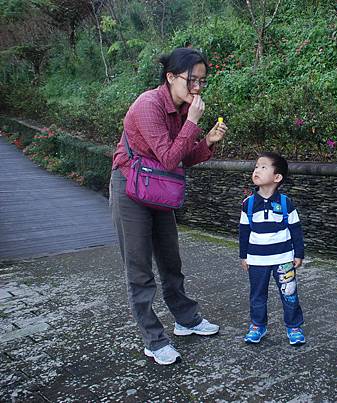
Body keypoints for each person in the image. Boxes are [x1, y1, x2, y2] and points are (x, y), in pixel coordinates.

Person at [109, 48, 228, 365]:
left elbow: (183, 157)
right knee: (139, 269)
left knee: (171, 261)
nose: (198, 88)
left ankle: (186, 319)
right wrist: (193, 122)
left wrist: (207, 143)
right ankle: (153, 339)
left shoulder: (181, 109)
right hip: (130, 187)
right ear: (171, 77)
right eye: (192, 80)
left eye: (202, 81)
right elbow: (169, 157)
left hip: (158, 186)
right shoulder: (148, 105)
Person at [239, 152, 306, 345]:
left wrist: (298, 253)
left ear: (277, 177)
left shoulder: (285, 203)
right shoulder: (248, 204)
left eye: (263, 167)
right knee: (257, 295)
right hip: (257, 260)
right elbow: (244, 232)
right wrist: (243, 256)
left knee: (289, 294)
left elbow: (296, 230)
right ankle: (258, 325)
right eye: (256, 167)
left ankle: (294, 326)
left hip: (284, 259)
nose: (257, 170)